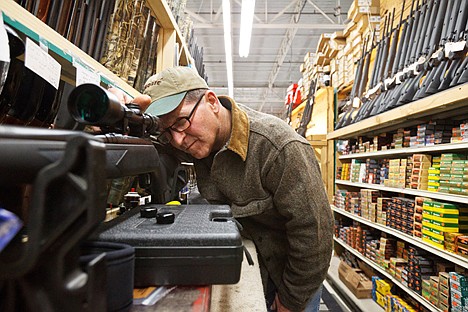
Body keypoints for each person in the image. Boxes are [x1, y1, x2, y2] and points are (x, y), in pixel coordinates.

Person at [130, 66, 334, 312]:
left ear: (212, 102)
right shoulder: (189, 137)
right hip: (248, 268)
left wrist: (290, 301)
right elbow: (142, 150)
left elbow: (315, 238)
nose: (178, 140)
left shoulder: (279, 148)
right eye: (166, 131)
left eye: (181, 122)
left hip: (290, 280)